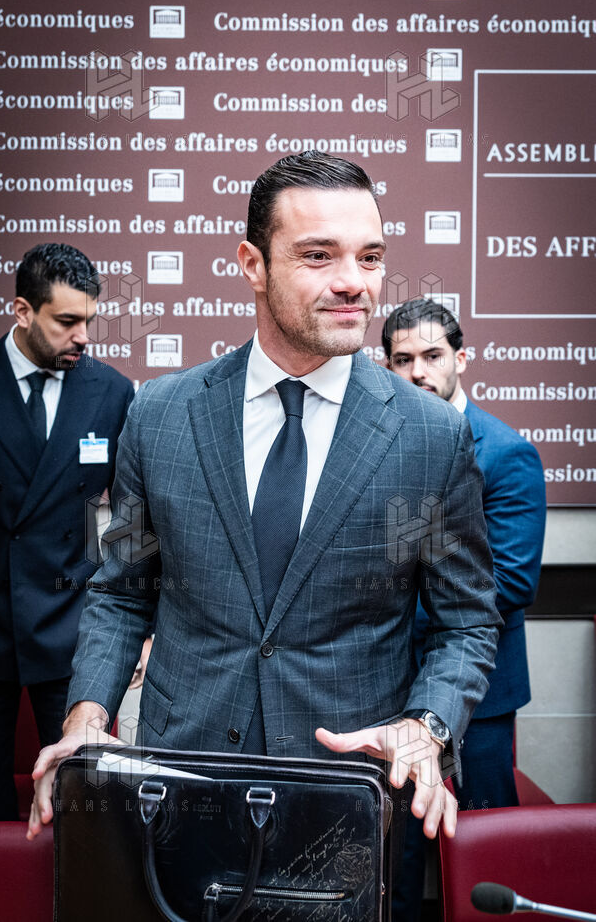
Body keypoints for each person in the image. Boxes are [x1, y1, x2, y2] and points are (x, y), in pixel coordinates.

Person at [28, 155, 501, 900]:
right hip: (181, 790)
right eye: (318, 256)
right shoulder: (161, 416)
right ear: (252, 263)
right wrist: (88, 716)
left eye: (369, 257)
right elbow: (121, 592)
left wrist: (427, 725)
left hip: (347, 800)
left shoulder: (427, 438)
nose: (353, 282)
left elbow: (464, 622)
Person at [382, 297, 546, 919]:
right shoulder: (377, 449)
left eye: (432, 356)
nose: (418, 372)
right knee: (392, 852)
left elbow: (511, 583)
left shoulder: (506, 453)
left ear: (462, 359)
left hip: (481, 691)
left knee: (485, 844)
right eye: (403, 360)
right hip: (389, 689)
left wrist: (389, 615)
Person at [0, 242, 134, 821]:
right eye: (66, 321)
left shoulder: (112, 391)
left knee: (83, 807)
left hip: (72, 628)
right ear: (22, 311)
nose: (83, 337)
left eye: (88, 320)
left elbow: (132, 516)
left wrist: (138, 615)